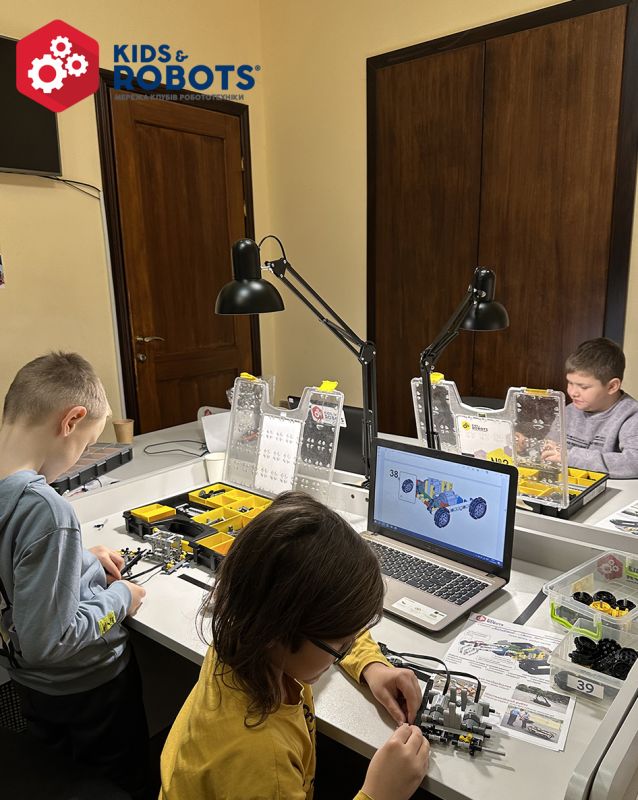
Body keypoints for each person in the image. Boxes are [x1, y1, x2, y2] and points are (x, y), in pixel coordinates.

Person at [160, 491, 430, 800]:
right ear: (278, 629)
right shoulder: (264, 765)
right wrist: (380, 794)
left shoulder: (244, 631)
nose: (346, 648)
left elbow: (329, 619)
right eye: (341, 646)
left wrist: (372, 665)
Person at [0, 352, 149, 798]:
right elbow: (52, 641)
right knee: (120, 784)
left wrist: (79, 559)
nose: (80, 456)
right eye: (86, 445)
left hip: (30, 685)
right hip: (87, 689)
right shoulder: (45, 511)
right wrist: (121, 598)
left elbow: (14, 569)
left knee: (58, 775)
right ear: (71, 421)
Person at [542, 338, 638, 478]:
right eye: (570, 383)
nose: (573, 392)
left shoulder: (631, 416)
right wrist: (527, 446)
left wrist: (570, 457)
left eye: (583, 387)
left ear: (612, 386)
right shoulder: (569, 410)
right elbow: (551, 448)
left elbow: (634, 462)